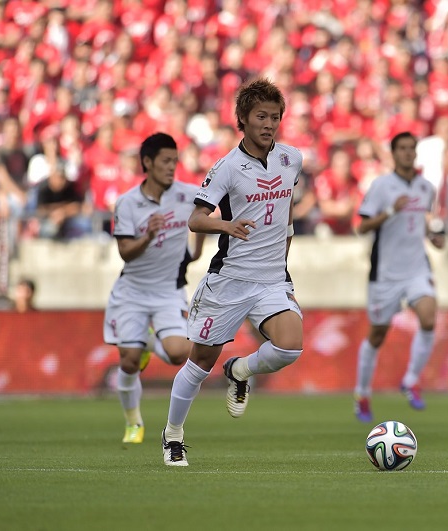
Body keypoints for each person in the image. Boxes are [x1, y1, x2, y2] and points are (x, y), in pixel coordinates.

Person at [161, 78, 303, 467]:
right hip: (230, 281)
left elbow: (287, 209)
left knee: (290, 345)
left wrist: (284, 254)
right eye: (261, 116)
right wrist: (226, 225)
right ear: (242, 118)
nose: (269, 124)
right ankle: (173, 435)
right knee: (199, 363)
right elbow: (195, 219)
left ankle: (240, 370)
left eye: (275, 117)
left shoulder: (292, 159)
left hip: (272, 278)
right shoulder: (227, 168)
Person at [103, 132, 205, 445]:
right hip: (132, 291)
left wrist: (197, 243)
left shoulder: (188, 194)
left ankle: (149, 343)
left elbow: (206, 213)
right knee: (128, 362)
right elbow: (125, 252)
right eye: (165, 161)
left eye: (175, 161)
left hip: (168, 291)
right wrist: (147, 235)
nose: (172, 167)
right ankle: (134, 423)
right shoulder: (128, 203)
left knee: (178, 354)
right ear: (147, 162)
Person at [353, 131, 444, 423]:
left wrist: (433, 236)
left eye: (411, 148)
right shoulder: (381, 186)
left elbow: (420, 223)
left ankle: (411, 380)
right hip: (386, 273)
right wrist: (391, 210)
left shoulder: (426, 188)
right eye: (402, 148)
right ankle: (362, 393)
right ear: (393, 153)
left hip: (417, 267)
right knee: (377, 334)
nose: (408, 153)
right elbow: (363, 227)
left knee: (429, 318)